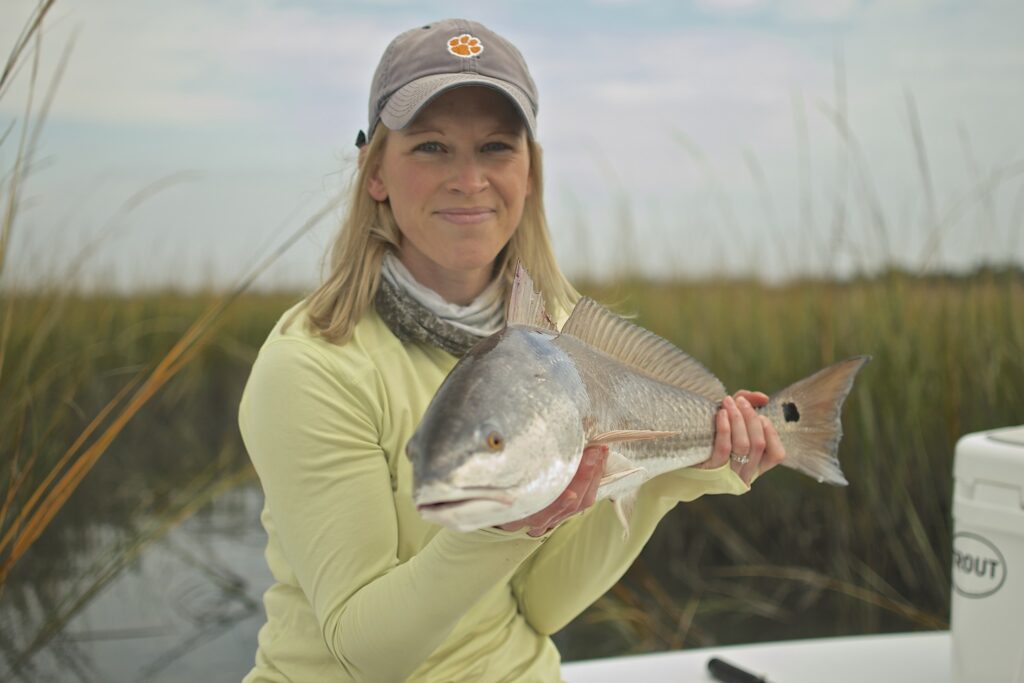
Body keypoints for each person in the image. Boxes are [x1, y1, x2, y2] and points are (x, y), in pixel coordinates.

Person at [238, 18, 785, 683]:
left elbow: (544, 604)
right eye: (432, 147)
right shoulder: (314, 363)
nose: (469, 179)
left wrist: (676, 471)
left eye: (496, 147)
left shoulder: (553, 337)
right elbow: (365, 651)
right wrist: (502, 528)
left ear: (529, 175)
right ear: (374, 170)